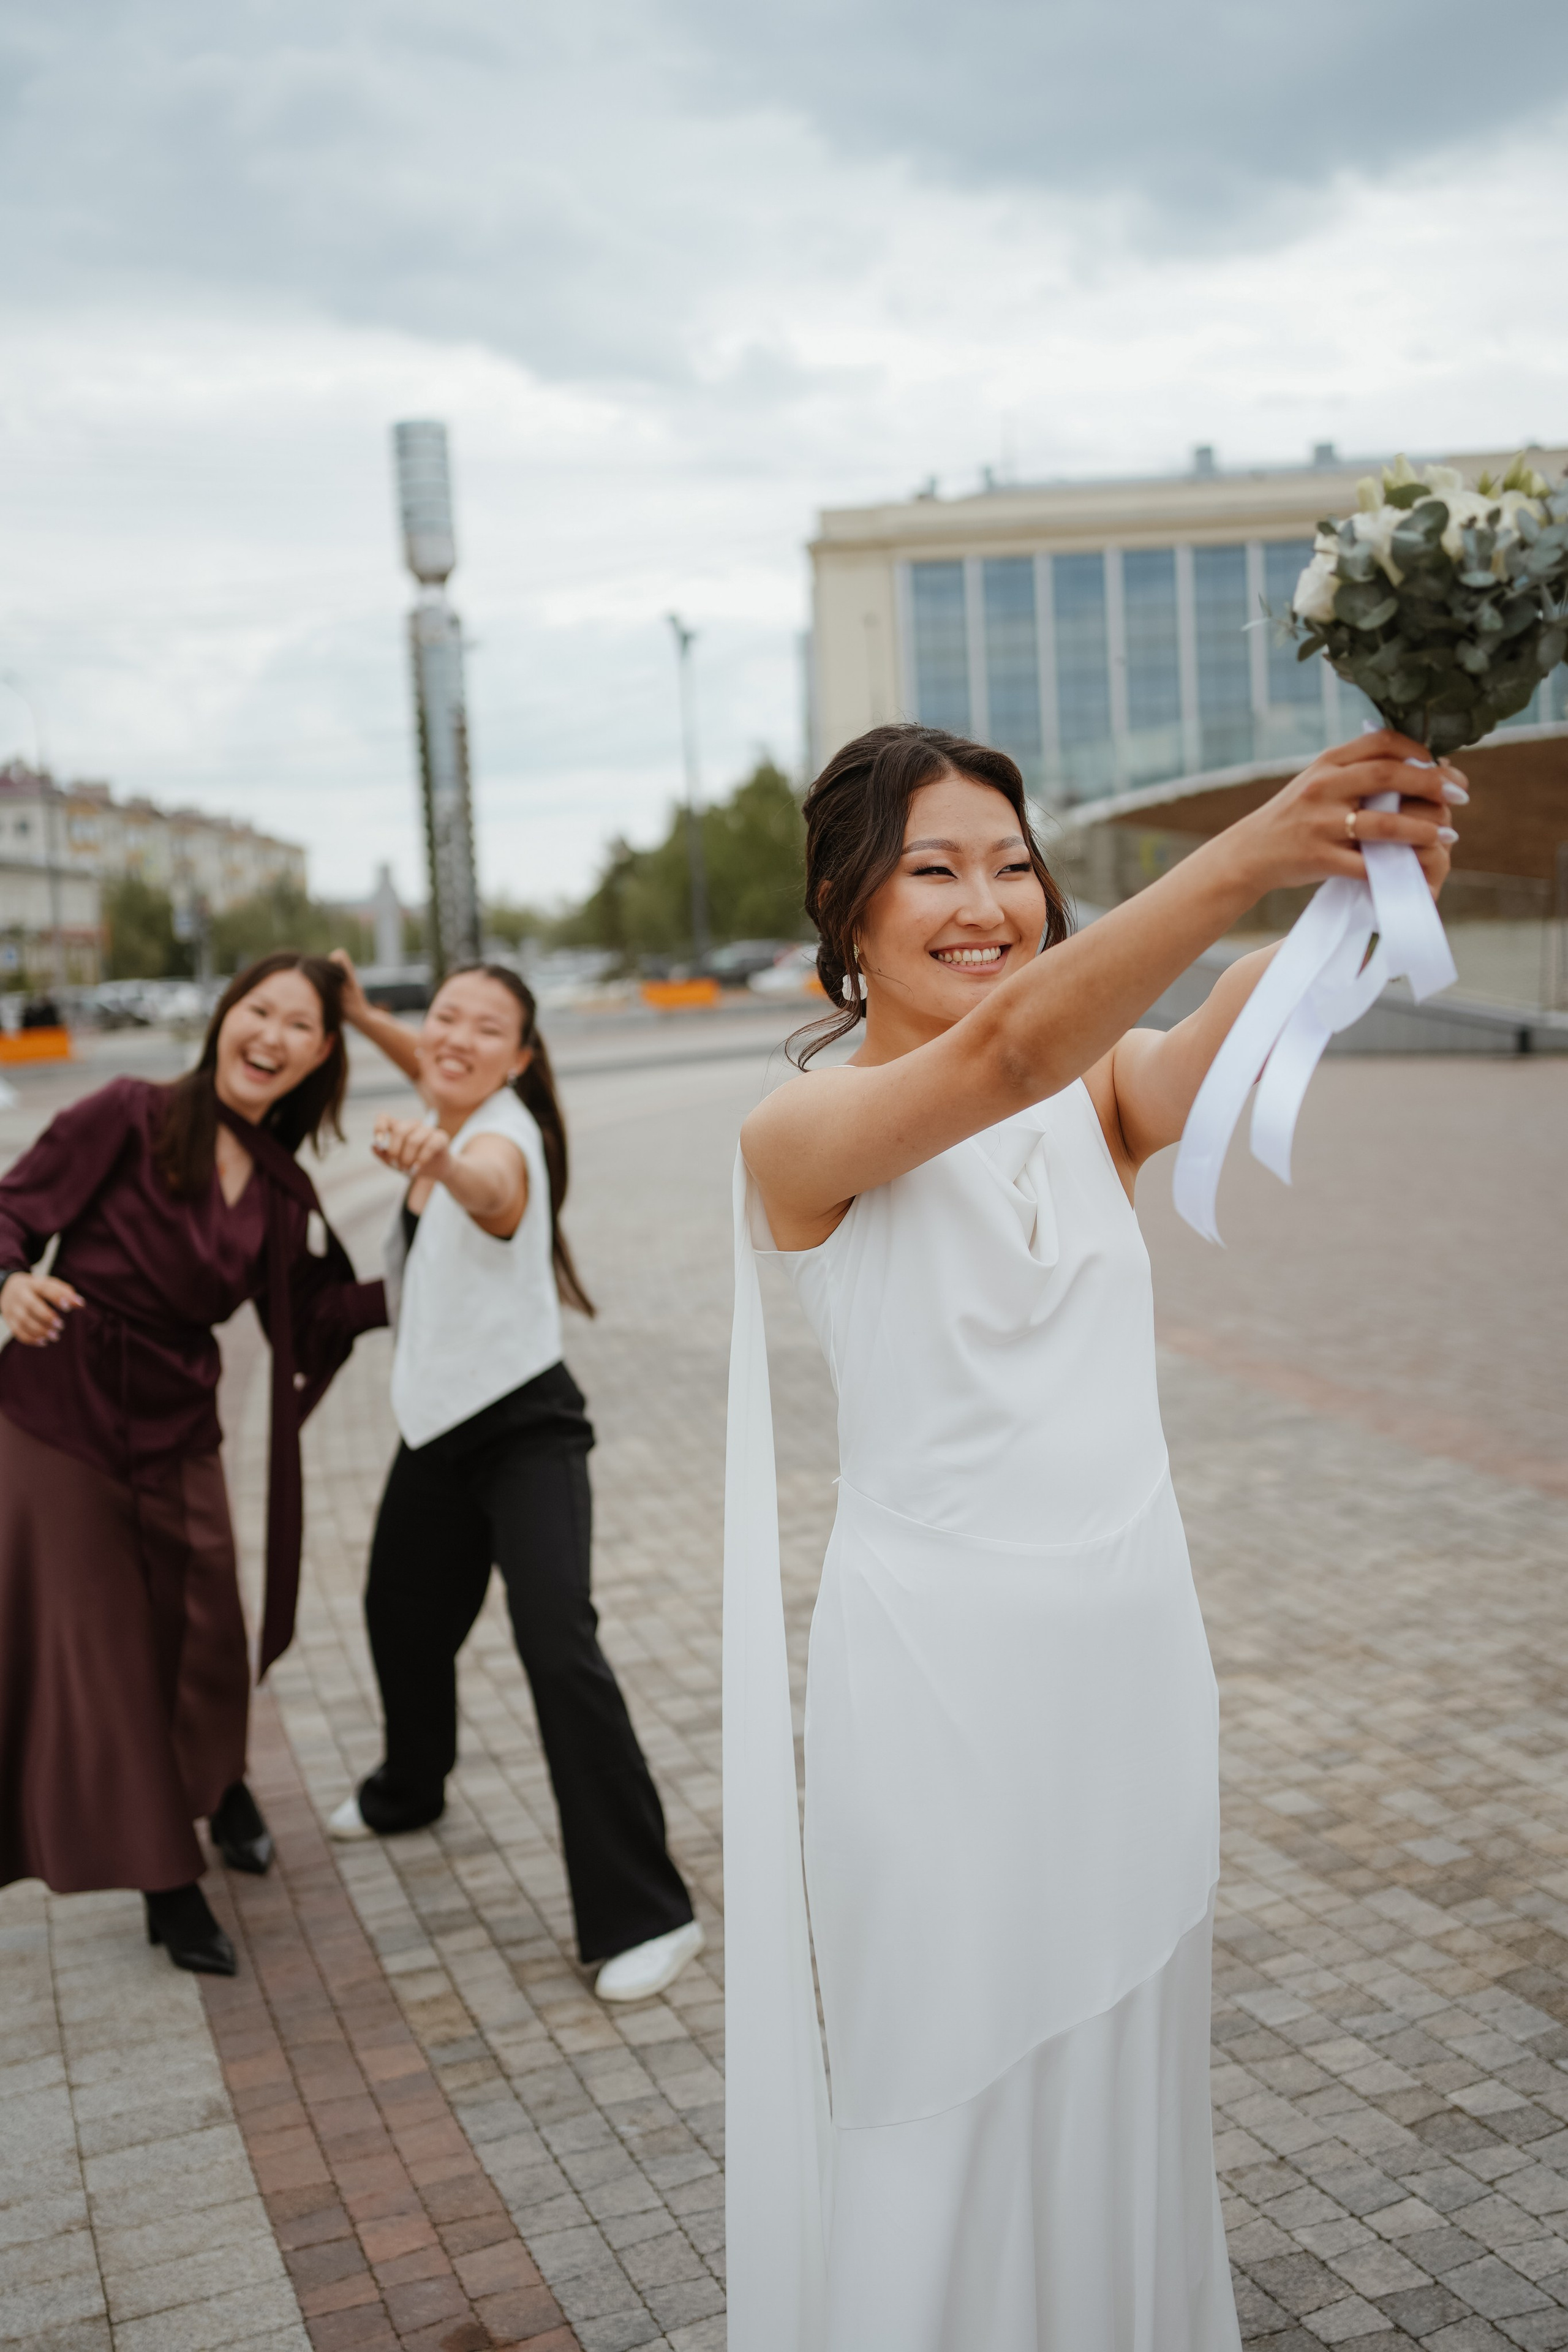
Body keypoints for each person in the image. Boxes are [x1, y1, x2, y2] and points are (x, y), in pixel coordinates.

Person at [727, 723, 1461, 2351]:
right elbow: (995, 1063)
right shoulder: (799, 1138)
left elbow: (1209, 1020)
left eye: (1012, 864)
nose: (987, 900)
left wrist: (1367, 871)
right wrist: (1253, 844)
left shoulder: (1099, 1100)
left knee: (1126, 2054)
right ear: (846, 912)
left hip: (1128, 1663)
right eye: (936, 868)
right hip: (937, 1694)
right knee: (953, 2067)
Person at [0, 951, 386, 1976]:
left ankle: (221, 1789)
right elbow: (11, 1214)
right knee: (108, 1655)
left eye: (299, 1026)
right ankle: (167, 1884)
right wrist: (7, 1286)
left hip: (178, 1420)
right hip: (59, 1418)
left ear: (320, 1056)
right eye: (258, 1010)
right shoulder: (124, 1114)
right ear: (224, 1016)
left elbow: (303, 1321)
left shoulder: (277, 1185)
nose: (271, 1036)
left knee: (209, 1629)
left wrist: (419, 1277)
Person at [329, 956, 702, 2003]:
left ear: (522, 1059)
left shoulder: (501, 1139)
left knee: (557, 1646)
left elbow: (491, 1191)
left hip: (527, 1429)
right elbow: (432, 1057)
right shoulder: (450, 1083)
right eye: (443, 1017)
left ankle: (650, 1916)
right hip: (437, 1429)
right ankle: (411, 1789)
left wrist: (441, 1164)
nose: (452, 1038)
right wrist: (361, 1012)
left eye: (486, 1030)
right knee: (397, 1615)